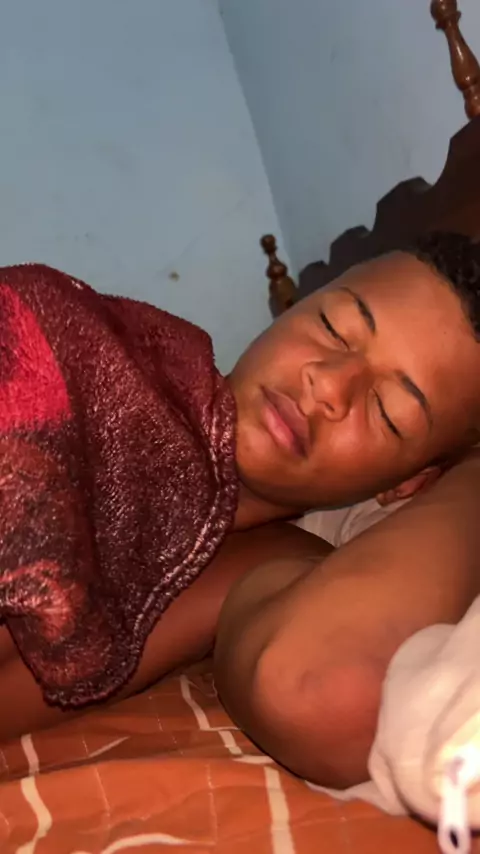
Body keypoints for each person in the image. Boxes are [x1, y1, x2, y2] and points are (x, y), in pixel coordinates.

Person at [0, 231, 479, 747]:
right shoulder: (93, 352)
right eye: (332, 328)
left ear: (409, 483)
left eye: (389, 412)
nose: (328, 384)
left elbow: (319, 688)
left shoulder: (269, 567)